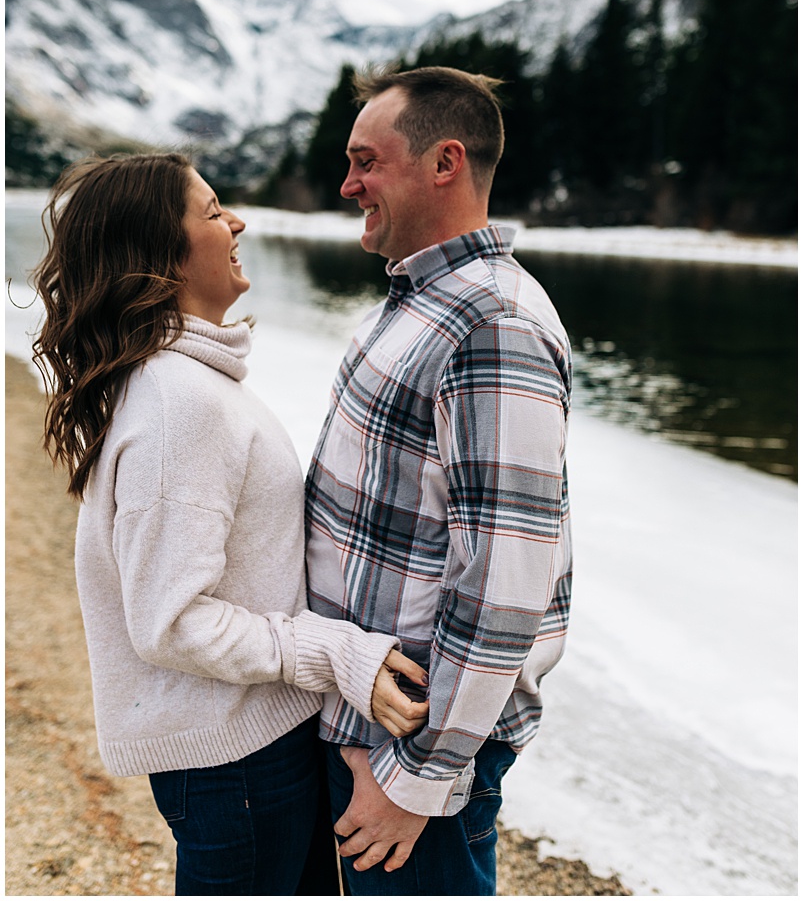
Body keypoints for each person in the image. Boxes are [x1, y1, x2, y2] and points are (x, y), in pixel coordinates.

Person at [32, 152, 428, 897]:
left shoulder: (180, 384)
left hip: (249, 747)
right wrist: (337, 651)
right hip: (236, 765)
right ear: (160, 251)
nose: (237, 221)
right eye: (213, 212)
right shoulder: (178, 404)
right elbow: (172, 622)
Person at [305, 66, 573, 896]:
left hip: (417, 750)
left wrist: (417, 780)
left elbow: (502, 583)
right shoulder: (422, 300)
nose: (347, 184)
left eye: (366, 162)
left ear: (443, 163)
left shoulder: (493, 326)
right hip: (371, 721)